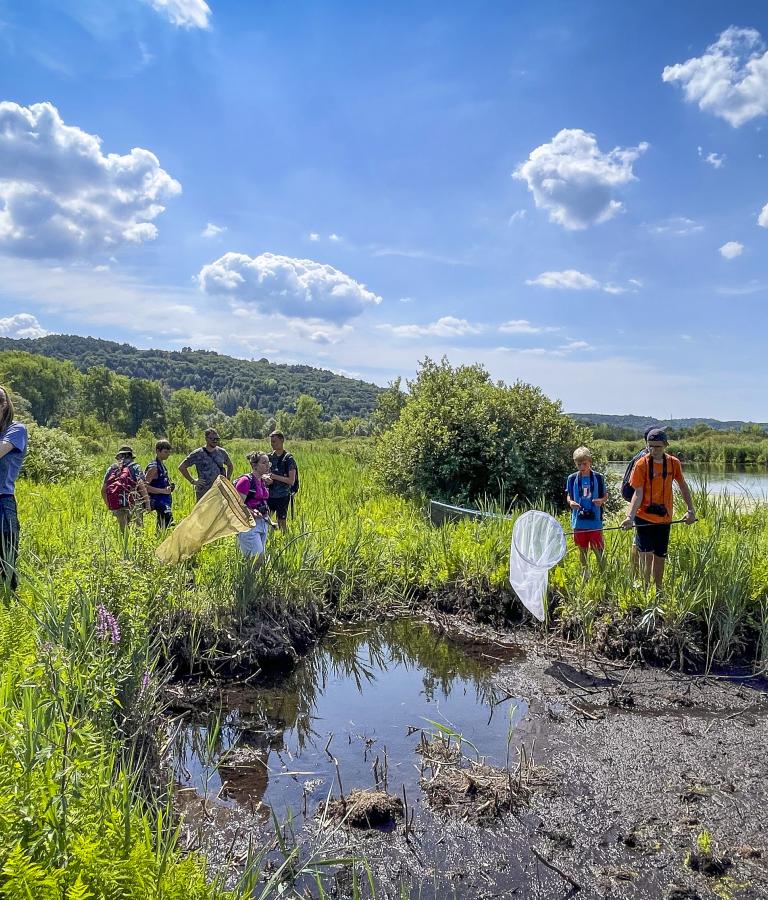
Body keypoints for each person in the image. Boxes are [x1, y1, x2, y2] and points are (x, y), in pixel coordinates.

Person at [621, 428, 696, 592]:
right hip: (643, 518)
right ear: (647, 445)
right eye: (651, 446)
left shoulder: (673, 463)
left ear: (665, 445)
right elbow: (637, 493)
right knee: (645, 555)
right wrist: (629, 517)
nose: (654, 450)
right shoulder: (641, 464)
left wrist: (690, 510)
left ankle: (659, 590)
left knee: (660, 556)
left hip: (664, 518)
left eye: (658, 447)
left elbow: (682, 486)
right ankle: (646, 590)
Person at [0, 387, 27, 591]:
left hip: (3, 500)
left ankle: (10, 605)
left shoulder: (16, 430)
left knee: (6, 561)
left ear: (4, 405)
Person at [566, 446, 606, 577]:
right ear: (575, 463)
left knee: (598, 550)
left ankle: (603, 574)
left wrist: (601, 501)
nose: (582, 467)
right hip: (579, 521)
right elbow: (569, 496)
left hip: (595, 521)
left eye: (585, 464)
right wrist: (570, 502)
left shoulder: (599, 478)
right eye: (579, 464)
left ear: (590, 462)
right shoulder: (572, 478)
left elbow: (605, 496)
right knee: (582, 550)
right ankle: (585, 575)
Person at [102, 445, 150, 533]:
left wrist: (109, 506)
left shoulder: (111, 469)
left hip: (118, 503)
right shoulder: (135, 467)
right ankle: (138, 546)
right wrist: (147, 503)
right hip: (134, 502)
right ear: (131, 456)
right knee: (138, 531)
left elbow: (103, 490)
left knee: (123, 533)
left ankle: (124, 546)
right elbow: (141, 485)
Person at [234, 451, 273, 563]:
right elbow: (238, 505)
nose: (267, 465)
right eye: (264, 462)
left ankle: (254, 579)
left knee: (259, 559)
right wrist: (250, 511)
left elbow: (262, 501)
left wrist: (269, 521)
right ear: (254, 465)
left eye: (268, 463)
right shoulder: (245, 481)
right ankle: (249, 580)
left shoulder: (262, 480)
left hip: (263, 522)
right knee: (257, 560)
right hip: (249, 525)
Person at [178, 428, 233, 502]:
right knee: (203, 512)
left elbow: (230, 465)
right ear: (206, 439)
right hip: (203, 491)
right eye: (212, 438)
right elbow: (182, 467)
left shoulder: (222, 452)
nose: (215, 441)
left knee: (218, 512)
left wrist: (227, 479)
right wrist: (193, 481)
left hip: (219, 490)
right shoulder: (198, 453)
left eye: (217, 439)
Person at [267, 431, 296, 531]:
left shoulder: (288, 459)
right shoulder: (268, 457)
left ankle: (285, 540)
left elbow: (291, 481)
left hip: (282, 495)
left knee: (281, 522)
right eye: (271, 442)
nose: (272, 444)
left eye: (275, 441)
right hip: (268, 495)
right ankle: (268, 540)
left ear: (282, 440)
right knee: (266, 520)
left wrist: (274, 477)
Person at [145, 439, 175, 531]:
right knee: (166, 521)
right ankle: (160, 541)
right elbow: (144, 487)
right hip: (158, 500)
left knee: (166, 524)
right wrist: (162, 491)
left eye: (169, 452)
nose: (168, 454)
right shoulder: (154, 467)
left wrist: (169, 487)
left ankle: (161, 540)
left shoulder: (162, 465)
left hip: (164, 500)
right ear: (158, 451)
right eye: (165, 452)